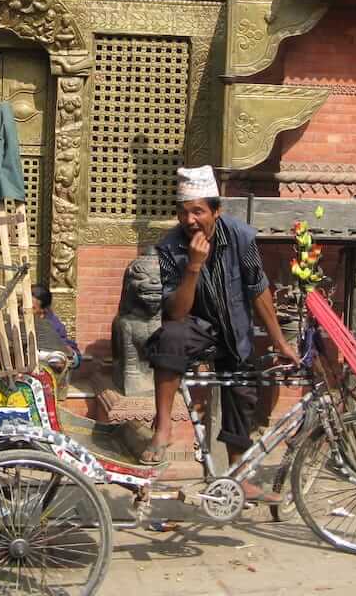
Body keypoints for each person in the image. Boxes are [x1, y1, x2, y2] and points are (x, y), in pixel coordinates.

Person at [142, 165, 297, 501]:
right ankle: (164, 426)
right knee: (170, 336)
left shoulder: (241, 237)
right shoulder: (170, 247)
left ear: (216, 211)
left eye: (198, 211)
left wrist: (279, 341)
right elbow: (176, 312)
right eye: (183, 212)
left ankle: (239, 478)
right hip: (197, 327)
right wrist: (194, 266)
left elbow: (258, 289)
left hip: (235, 329)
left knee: (242, 395)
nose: (190, 220)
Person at [32, 284, 82, 368]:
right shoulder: (19, 320)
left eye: (32, 308)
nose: (23, 309)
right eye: (22, 304)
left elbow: (69, 353)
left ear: (42, 310)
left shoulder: (53, 326)